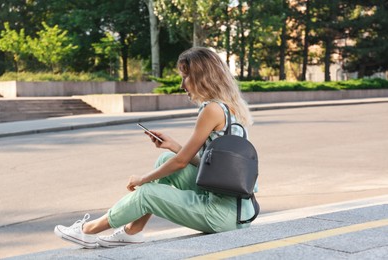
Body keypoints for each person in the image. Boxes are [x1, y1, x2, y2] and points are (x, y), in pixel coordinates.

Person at [54, 47, 258, 249]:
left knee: (148, 192)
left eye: (185, 77)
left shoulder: (211, 109)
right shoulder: (229, 107)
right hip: (237, 209)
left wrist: (142, 180)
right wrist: (175, 146)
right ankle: (132, 231)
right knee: (164, 159)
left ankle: (87, 231)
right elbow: (214, 166)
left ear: (200, 77)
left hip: (221, 215)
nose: (181, 85)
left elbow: (181, 162)